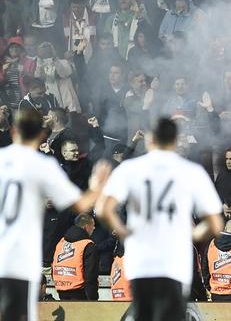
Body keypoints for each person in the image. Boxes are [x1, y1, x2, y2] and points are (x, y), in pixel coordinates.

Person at [0, 109, 110, 321]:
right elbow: (80, 204)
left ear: (13, 131)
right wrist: (97, 186)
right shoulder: (43, 166)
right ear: (42, 135)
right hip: (21, 260)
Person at [95, 118, 223, 318]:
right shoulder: (192, 171)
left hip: (141, 260)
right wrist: (191, 233)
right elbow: (215, 223)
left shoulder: (130, 168)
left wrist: (123, 232)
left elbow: (103, 210)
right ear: (175, 140)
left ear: (150, 140)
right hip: (174, 262)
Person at [52, 213, 99, 300]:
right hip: (80, 294)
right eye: (93, 225)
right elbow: (90, 277)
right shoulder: (88, 245)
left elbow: (53, 266)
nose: (94, 228)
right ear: (86, 226)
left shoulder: (61, 242)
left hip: (61, 291)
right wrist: (93, 299)